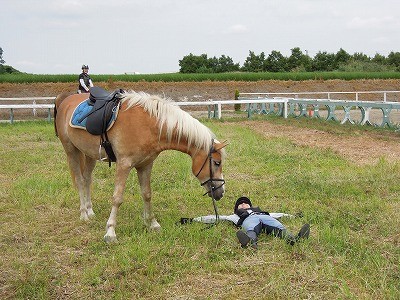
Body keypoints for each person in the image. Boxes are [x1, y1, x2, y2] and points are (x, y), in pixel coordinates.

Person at [234, 196, 310, 249]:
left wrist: (293, 216)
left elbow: (278, 215)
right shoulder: (236, 216)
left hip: (266, 218)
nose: (243, 204)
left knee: (278, 227)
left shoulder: (261, 212)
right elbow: (224, 217)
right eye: (240, 204)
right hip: (249, 220)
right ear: (237, 208)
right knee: (250, 229)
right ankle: (250, 242)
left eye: (245, 203)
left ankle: (294, 240)